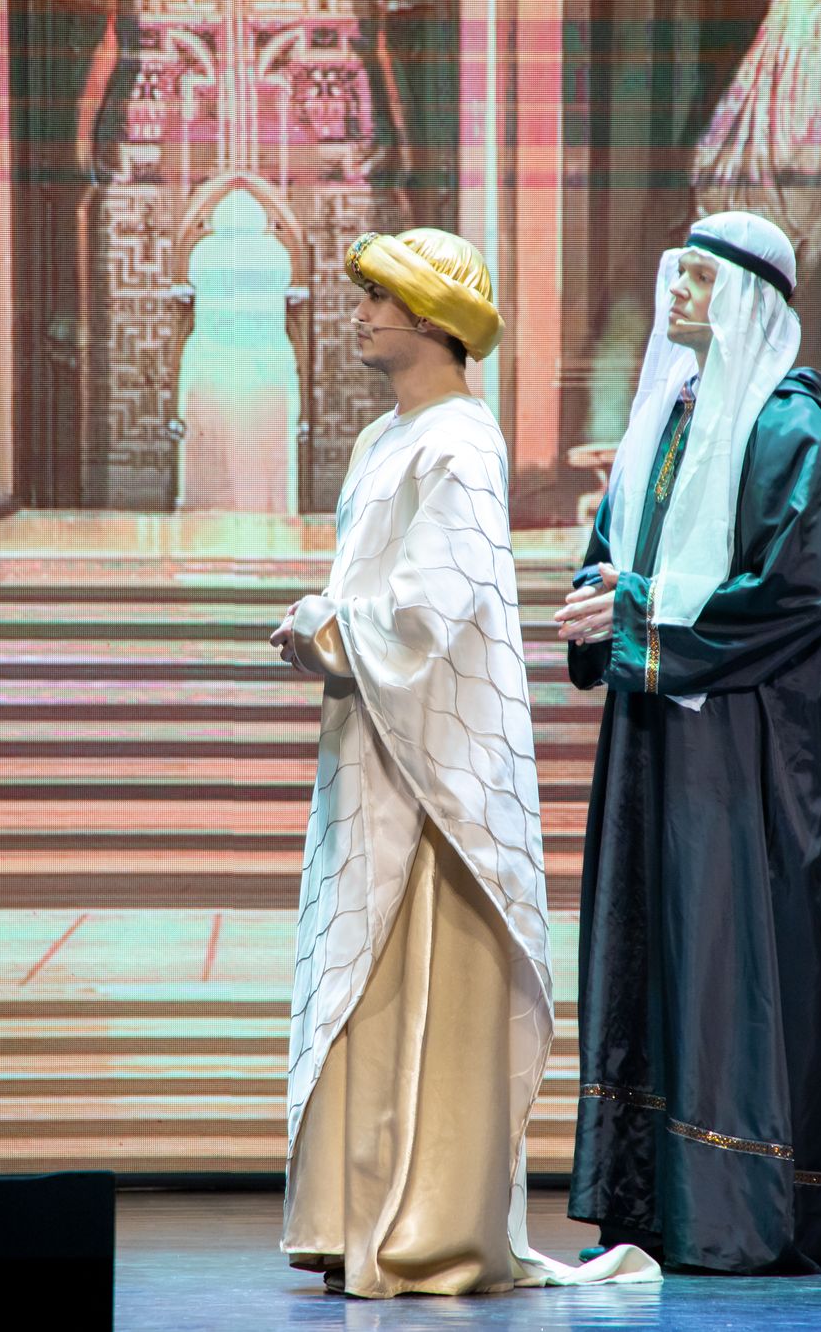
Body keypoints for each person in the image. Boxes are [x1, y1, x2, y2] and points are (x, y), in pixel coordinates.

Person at [271, 227, 658, 1299]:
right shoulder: (382, 438)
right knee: (363, 969)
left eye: (378, 298)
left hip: (438, 764)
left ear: (433, 319)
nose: (358, 313)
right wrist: (330, 629)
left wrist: (322, 629)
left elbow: (430, 612)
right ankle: (352, 1216)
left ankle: (426, 1229)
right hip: (373, 740)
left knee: (424, 979)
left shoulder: (460, 443)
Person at [552, 212, 821, 1274]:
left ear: (746, 300)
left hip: (742, 747)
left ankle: (734, 1207)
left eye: (698, 278)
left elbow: (795, 598)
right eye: (674, 273)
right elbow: (618, 551)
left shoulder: (792, 435)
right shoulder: (668, 415)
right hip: (654, 733)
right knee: (650, 943)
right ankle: (649, 1201)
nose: (675, 293)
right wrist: (602, 600)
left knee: (728, 958)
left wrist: (638, 613)